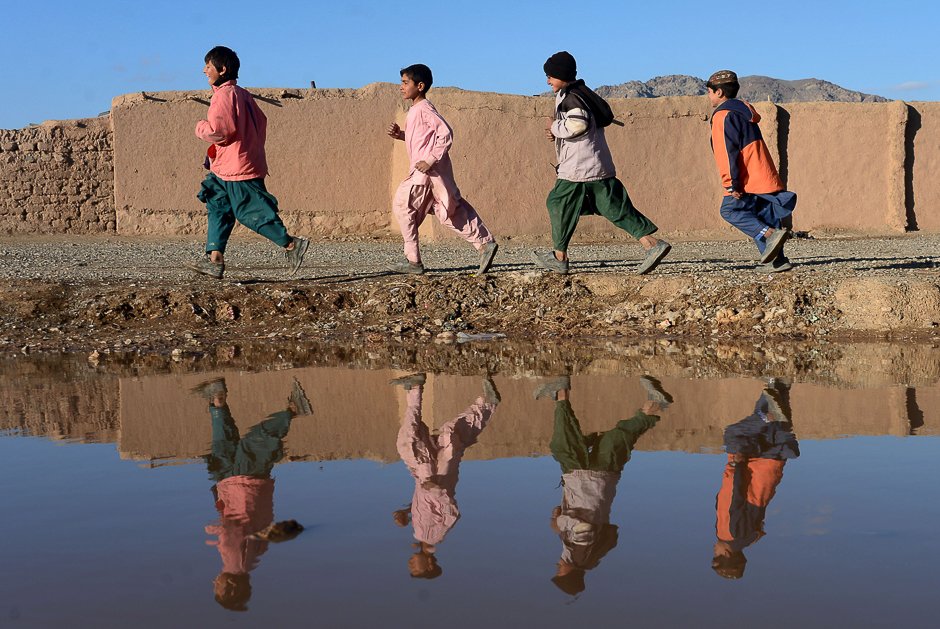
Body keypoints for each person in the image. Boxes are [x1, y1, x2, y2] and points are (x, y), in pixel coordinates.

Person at [532, 51, 671, 275]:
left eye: (550, 75)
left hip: (578, 168)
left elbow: (578, 125)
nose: (547, 80)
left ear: (561, 75)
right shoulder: (580, 93)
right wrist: (558, 131)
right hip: (596, 164)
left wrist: (554, 127)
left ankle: (559, 257)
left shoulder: (572, 97)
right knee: (614, 206)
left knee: (558, 203)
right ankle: (651, 244)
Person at [537, 374, 672, 595]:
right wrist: (558, 522)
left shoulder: (592, 555)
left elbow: (610, 533)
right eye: (559, 572)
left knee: (617, 438)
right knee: (563, 444)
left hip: (603, 482)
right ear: (570, 573)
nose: (557, 567)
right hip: (583, 480)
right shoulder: (580, 555)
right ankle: (561, 393)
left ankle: (654, 404)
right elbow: (584, 527)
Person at [189, 45, 308, 280]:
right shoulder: (242, 94)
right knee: (218, 206)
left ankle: (292, 244)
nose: (204, 70)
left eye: (209, 66)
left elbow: (220, 132)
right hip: (227, 166)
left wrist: (200, 127)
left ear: (222, 69)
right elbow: (260, 124)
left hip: (237, 168)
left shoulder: (224, 95)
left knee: (249, 212)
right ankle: (215, 260)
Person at [193, 376, 311, 610]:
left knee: (224, 443)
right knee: (255, 442)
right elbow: (234, 530)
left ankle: (218, 398)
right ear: (231, 588)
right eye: (217, 587)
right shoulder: (235, 560)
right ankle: (293, 411)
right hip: (243, 487)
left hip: (239, 488)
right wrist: (212, 530)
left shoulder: (253, 559)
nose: (214, 582)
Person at [385, 64, 499, 276]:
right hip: (431, 175)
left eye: (405, 83)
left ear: (420, 86)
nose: (401, 87)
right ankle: (485, 244)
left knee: (403, 205)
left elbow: (445, 133)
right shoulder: (416, 110)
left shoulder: (425, 109)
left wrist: (429, 160)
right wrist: (401, 135)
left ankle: (413, 261)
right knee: (449, 212)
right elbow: (420, 139)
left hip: (425, 174)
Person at [390, 373, 500, 578]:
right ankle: (416, 388)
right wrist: (435, 489)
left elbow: (426, 508)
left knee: (442, 437)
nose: (411, 565)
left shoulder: (422, 534)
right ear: (430, 565)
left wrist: (407, 511)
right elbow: (451, 512)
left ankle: (416, 389)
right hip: (434, 476)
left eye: (411, 568)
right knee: (417, 442)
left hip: (427, 476)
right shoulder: (434, 536)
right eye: (416, 568)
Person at [707, 69, 798, 273]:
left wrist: (732, 183)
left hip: (745, 178)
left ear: (719, 92)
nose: (709, 96)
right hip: (762, 173)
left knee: (729, 210)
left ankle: (770, 234)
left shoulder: (723, 116)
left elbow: (727, 153)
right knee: (763, 212)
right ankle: (777, 261)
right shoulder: (744, 112)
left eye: (710, 92)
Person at [711, 378, 800, 579]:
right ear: (726, 554)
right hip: (755, 465)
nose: (714, 549)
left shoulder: (749, 537)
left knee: (775, 426)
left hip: (768, 467)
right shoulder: (730, 533)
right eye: (715, 554)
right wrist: (738, 464)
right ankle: (772, 394)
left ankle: (780, 381)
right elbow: (737, 498)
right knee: (734, 435)